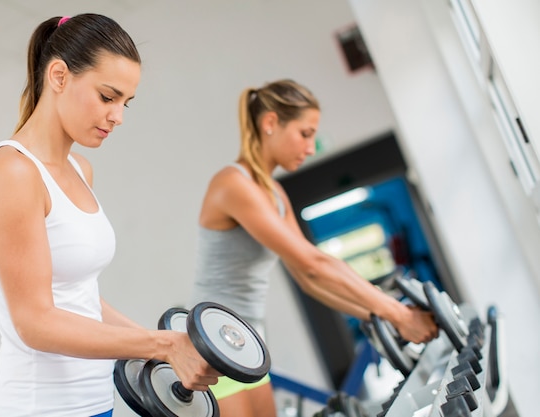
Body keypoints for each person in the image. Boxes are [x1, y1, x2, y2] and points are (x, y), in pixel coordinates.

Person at [0, 14, 220, 417]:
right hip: (40, 409)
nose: (118, 116)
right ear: (59, 76)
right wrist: (160, 345)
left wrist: (168, 348)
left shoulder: (80, 170)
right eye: (108, 97)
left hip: (96, 401)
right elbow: (34, 322)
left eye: (126, 103)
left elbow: (79, 299)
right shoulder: (11, 172)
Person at [188, 79, 439, 417]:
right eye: (305, 134)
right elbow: (312, 264)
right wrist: (398, 314)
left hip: (249, 343)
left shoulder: (275, 194)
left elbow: (310, 280)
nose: (310, 148)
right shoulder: (233, 184)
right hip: (213, 345)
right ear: (270, 123)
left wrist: (383, 315)